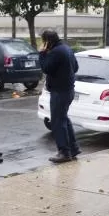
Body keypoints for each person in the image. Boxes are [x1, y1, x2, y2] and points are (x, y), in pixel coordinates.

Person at [39, 28, 80, 163]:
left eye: (43, 41)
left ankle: (64, 152)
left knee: (57, 121)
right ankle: (73, 148)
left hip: (59, 92)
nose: (42, 43)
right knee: (63, 119)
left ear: (48, 41)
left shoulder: (55, 52)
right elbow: (75, 67)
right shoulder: (66, 48)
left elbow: (46, 68)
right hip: (68, 90)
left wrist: (42, 53)